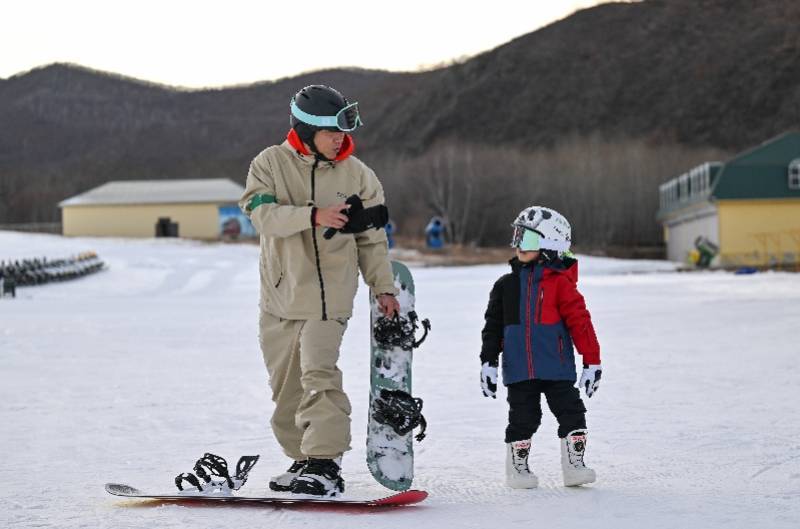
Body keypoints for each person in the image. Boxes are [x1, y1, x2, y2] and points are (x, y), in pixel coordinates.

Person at [239, 85, 400, 497]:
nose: (340, 140)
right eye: (332, 133)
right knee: (285, 389)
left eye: (342, 133)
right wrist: (312, 215)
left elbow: (372, 239)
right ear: (307, 129)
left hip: (330, 299)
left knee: (318, 375)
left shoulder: (358, 176)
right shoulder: (269, 164)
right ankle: (303, 459)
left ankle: (325, 464)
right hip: (280, 297)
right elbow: (262, 217)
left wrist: (382, 286)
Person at [479, 206, 602, 488]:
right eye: (518, 237)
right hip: (519, 369)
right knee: (523, 418)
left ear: (551, 245)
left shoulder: (561, 285)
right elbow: (493, 327)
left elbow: (581, 323)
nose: (519, 245)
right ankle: (517, 469)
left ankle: (575, 466)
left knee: (572, 412)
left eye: (528, 240)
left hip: (557, 368)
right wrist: (488, 361)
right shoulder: (506, 285)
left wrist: (592, 360)